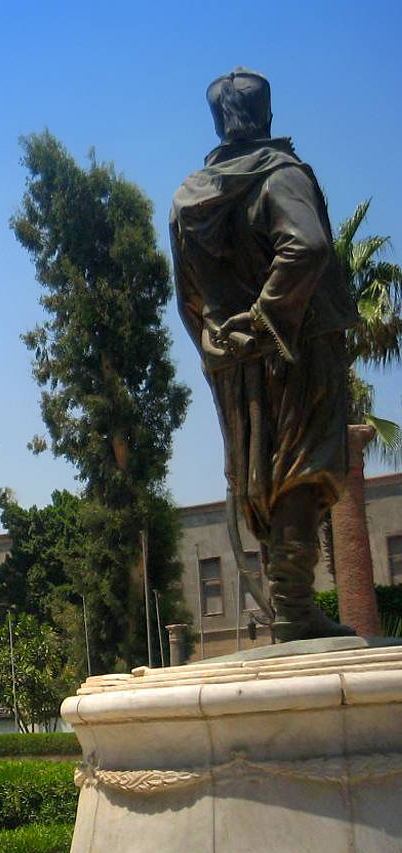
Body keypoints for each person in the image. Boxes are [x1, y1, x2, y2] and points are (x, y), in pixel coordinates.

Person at [170, 67, 355, 642]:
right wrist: (271, 317)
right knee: (303, 463)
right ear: (267, 115)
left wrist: (222, 341)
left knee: (258, 471)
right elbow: (308, 246)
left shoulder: (188, 200)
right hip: (294, 347)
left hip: (232, 359)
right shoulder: (281, 177)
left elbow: (188, 295)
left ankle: (288, 604)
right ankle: (295, 606)